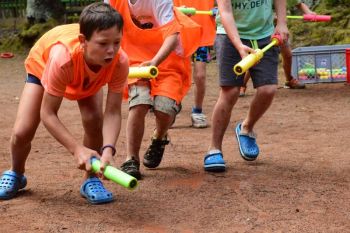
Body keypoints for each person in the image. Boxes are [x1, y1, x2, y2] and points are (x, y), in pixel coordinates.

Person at [0, 3, 129, 204]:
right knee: (22, 131)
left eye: (117, 42)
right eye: (103, 43)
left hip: (86, 75)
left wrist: (108, 149)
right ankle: (16, 173)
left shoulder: (119, 62)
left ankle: (91, 179)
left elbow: (113, 112)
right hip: (43, 65)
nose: (111, 51)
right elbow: (48, 113)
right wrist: (77, 149)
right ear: (83, 41)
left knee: (94, 118)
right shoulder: (62, 58)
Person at [107, 0, 201, 179]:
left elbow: (172, 36)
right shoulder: (112, 2)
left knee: (164, 109)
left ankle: (159, 136)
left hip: (167, 60)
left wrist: (155, 61)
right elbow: (106, 27)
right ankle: (131, 159)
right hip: (134, 60)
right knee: (139, 103)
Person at [204, 0, 289, 172]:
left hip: (265, 35)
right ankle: (214, 149)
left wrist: (281, 22)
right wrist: (238, 45)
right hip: (229, 36)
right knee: (231, 91)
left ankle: (246, 128)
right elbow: (225, 12)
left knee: (268, 89)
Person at [239, 0, 314, 97]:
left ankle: (289, 80)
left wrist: (309, 13)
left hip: (279, 29)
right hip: (261, 30)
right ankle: (242, 85)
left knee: (287, 54)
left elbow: (298, 3)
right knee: (256, 58)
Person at [173, 0, 216, 128]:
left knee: (200, 76)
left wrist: (218, 10)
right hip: (178, 34)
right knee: (176, 74)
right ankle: (170, 108)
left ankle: (197, 111)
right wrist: (176, 10)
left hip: (202, 34)